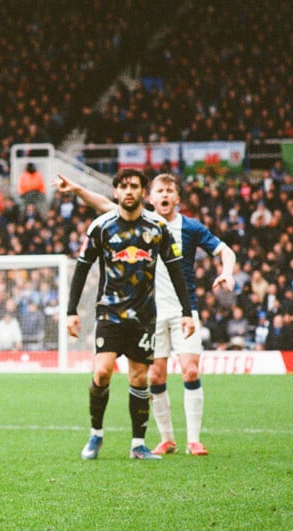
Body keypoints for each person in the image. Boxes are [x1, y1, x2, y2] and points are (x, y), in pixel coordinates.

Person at [56, 172, 236, 456]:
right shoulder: (110, 224)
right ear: (147, 196)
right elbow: (87, 251)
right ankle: (120, 436)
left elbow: (189, 264)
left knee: (164, 375)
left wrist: (197, 302)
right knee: (123, 375)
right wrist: (71, 310)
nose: (130, 192)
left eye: (135, 187)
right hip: (121, 312)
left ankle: (164, 441)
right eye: (124, 187)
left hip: (153, 313)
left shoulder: (169, 228)